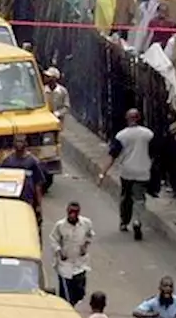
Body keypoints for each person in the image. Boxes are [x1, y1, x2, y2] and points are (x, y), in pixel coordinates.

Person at [99, 108, 153, 240]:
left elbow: (112, 156)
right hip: (143, 171)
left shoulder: (121, 135)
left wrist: (102, 173)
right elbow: (154, 152)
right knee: (139, 199)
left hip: (127, 171)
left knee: (126, 197)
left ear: (127, 119)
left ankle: (124, 222)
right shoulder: (148, 134)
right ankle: (137, 221)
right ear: (139, 118)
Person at [50, 201, 93, 306]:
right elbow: (53, 239)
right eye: (71, 212)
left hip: (80, 263)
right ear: (67, 212)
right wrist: (59, 252)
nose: (73, 215)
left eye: (75, 212)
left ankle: (74, 302)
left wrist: (85, 246)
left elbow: (90, 235)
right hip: (65, 265)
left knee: (79, 291)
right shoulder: (60, 226)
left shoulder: (86, 223)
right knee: (66, 295)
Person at [0, 134, 46, 228]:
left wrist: (39, 205)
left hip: (27, 200)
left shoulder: (32, 162)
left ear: (26, 143)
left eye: (21, 141)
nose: (19, 144)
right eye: (17, 141)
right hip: (12, 199)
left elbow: (38, 184)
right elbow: (2, 181)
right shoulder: (8, 161)